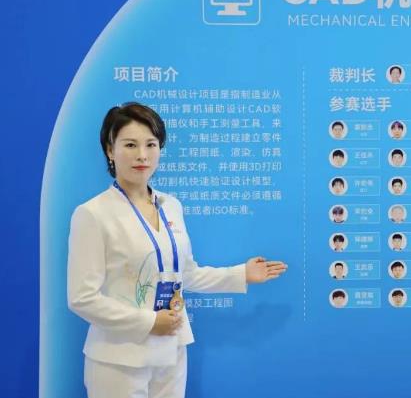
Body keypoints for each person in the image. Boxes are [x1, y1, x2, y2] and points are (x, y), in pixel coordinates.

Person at [67, 103, 287, 398]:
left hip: (171, 347)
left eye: (151, 144)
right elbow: (82, 298)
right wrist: (148, 322)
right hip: (119, 358)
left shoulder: (171, 205)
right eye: (130, 145)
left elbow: (186, 274)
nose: (142, 155)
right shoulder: (93, 214)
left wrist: (241, 274)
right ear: (110, 149)